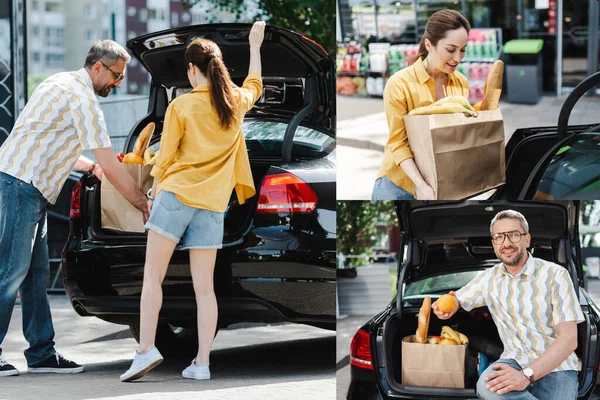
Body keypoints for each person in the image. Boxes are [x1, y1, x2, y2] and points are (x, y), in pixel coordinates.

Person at [119, 20, 266, 383]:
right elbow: (255, 85)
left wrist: (148, 169)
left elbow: (166, 157)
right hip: (213, 205)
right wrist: (255, 45)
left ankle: (145, 351)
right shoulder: (235, 105)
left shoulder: (182, 106)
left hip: (177, 196)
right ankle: (202, 363)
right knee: (206, 289)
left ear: (190, 69)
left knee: (153, 276)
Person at [0, 40, 149, 377]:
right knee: (10, 273)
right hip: (22, 185)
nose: (118, 83)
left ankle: (40, 353)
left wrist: (88, 166)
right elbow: (111, 165)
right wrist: (143, 203)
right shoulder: (83, 99)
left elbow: (49, 139)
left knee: (34, 276)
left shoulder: (58, 82)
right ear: (98, 67)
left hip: (25, 184)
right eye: (116, 75)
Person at [432, 210, 583, 400]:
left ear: (527, 240)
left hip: (557, 367)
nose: (506, 243)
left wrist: (526, 376)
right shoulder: (489, 278)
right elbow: (458, 299)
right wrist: (448, 307)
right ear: (494, 243)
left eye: (513, 235)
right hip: (514, 360)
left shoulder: (555, 275)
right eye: (499, 237)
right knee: (487, 387)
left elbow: (569, 339)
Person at [372, 10, 471, 201]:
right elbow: (398, 143)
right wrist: (421, 185)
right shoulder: (399, 84)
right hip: (399, 185)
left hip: (442, 183)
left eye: (463, 49)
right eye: (451, 50)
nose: (458, 58)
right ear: (429, 44)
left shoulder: (461, 83)